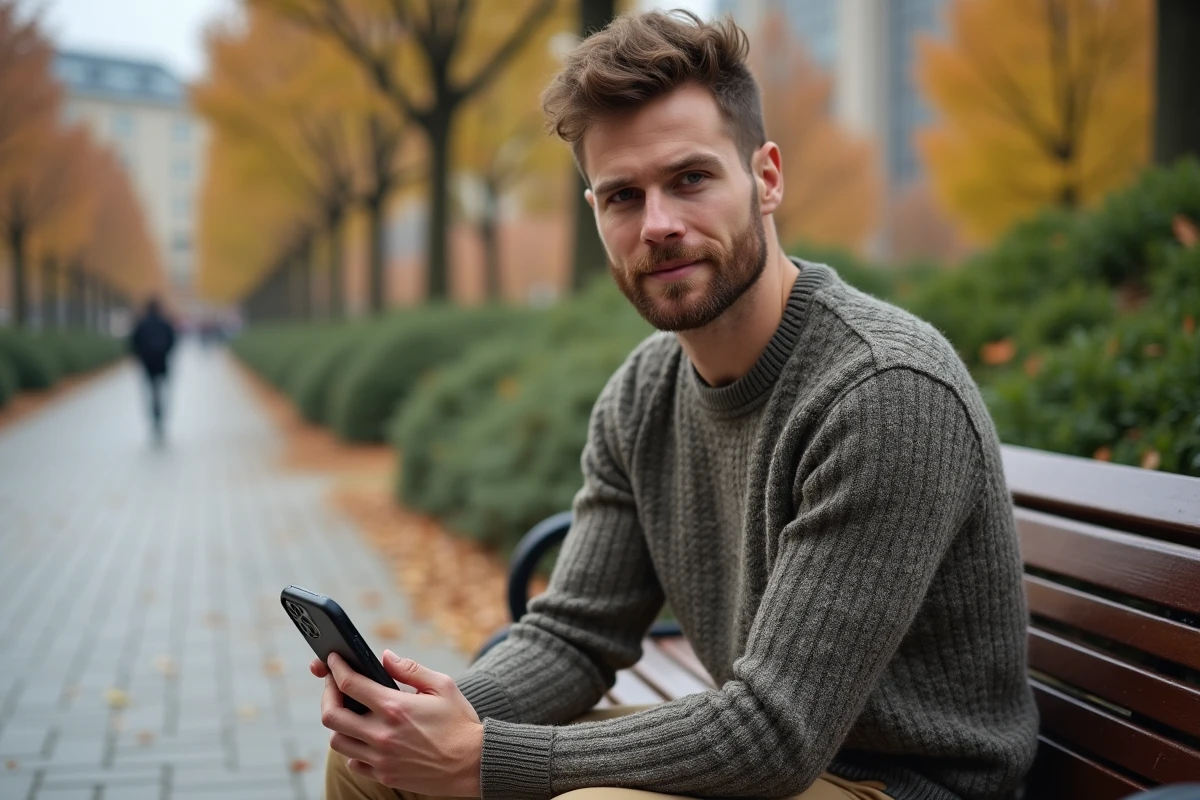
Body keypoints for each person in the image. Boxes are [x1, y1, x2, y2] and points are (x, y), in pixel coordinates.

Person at [314, 10, 1039, 800]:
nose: (658, 225)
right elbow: (577, 635)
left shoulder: (883, 392)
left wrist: (482, 760)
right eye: (623, 196)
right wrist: (429, 720)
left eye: (690, 179)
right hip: (774, 753)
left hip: (904, 784)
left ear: (765, 178)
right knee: (370, 765)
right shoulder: (644, 392)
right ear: (595, 212)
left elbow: (775, 730)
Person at [128, 296, 177, 443]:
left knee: (151, 388)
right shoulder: (164, 323)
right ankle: (159, 413)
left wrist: (139, 355)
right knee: (160, 388)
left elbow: (133, 342)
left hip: (147, 362)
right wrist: (165, 352)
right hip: (161, 361)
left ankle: (154, 413)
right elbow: (172, 340)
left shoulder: (141, 324)